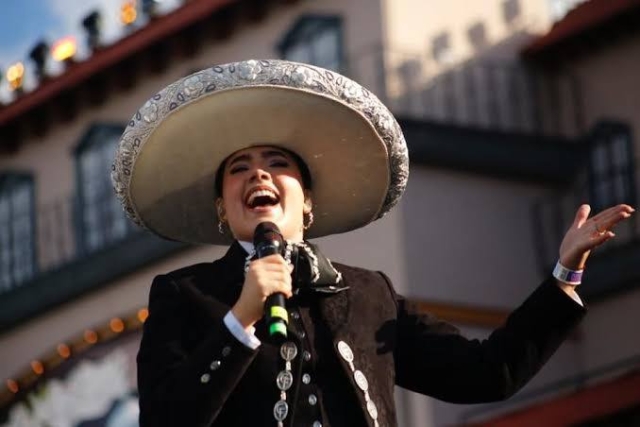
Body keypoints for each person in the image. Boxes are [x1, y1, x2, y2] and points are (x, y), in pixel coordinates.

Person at [112, 59, 634, 427]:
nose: (258, 176)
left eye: (278, 164)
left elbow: (484, 374)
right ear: (224, 210)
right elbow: (167, 419)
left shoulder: (365, 294)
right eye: (238, 170)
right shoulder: (185, 294)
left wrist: (564, 274)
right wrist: (240, 318)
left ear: (308, 201)